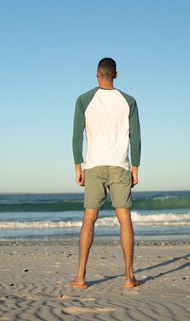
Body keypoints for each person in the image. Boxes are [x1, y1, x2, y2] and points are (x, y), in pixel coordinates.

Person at [70, 57, 141, 289]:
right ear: (116, 75)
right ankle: (129, 278)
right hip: (120, 165)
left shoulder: (84, 100)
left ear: (97, 74)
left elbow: (76, 136)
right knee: (124, 219)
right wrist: (136, 168)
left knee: (89, 219)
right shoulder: (128, 101)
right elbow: (136, 138)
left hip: (95, 166)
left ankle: (81, 277)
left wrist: (77, 166)